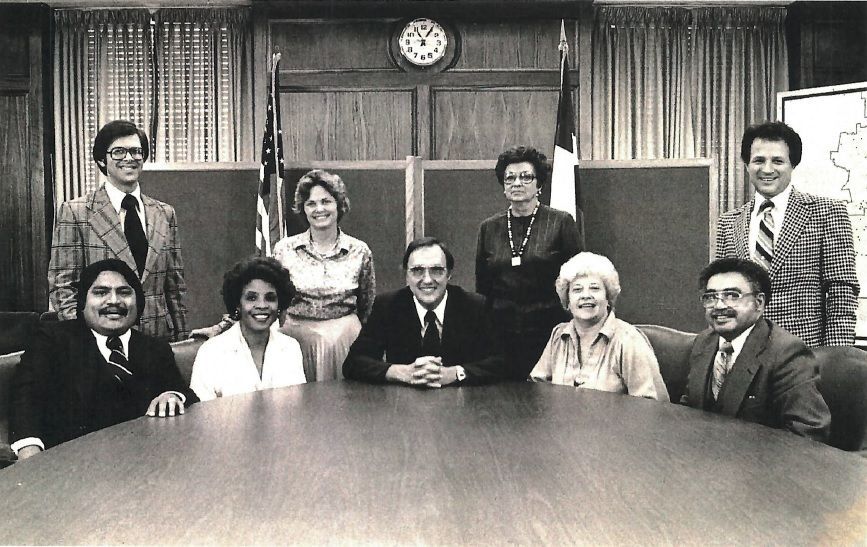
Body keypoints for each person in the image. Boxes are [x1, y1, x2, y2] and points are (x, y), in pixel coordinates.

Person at [10, 259, 197, 461]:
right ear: (83, 302)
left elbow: (184, 392)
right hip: (71, 468)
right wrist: (29, 453)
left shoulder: (154, 348)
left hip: (143, 466)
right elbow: (25, 398)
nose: (114, 301)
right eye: (101, 293)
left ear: (138, 301)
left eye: (124, 292)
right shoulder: (52, 340)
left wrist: (172, 394)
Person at [716, 121, 858, 347]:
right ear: (747, 165)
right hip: (743, 357)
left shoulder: (827, 213)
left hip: (804, 356)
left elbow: (841, 294)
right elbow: (721, 297)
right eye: (759, 160)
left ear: (793, 164)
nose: (767, 169)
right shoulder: (728, 223)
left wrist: (832, 359)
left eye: (778, 161)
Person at [48, 120, 188, 342]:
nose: (129, 158)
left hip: (159, 341)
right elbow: (63, 288)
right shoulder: (76, 213)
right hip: (101, 345)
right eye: (119, 152)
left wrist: (182, 339)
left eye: (136, 151)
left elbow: (175, 288)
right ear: (102, 160)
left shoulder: (165, 213)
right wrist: (84, 341)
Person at [681, 257, 830, 442]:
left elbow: (807, 434)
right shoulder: (704, 342)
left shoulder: (787, 353)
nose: (719, 306)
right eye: (710, 297)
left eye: (732, 295)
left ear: (759, 303)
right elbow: (688, 411)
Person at [476, 145, 584, 381]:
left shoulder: (561, 222)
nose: (517, 183)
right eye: (510, 178)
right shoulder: (489, 228)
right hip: (501, 333)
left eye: (526, 177)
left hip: (549, 330)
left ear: (539, 184)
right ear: (503, 186)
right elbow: (483, 285)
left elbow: (578, 279)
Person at [344, 237, 504, 387]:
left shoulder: (474, 306)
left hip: (461, 400)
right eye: (417, 271)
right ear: (406, 275)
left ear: (449, 274)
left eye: (436, 270)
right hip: (403, 403)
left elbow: (500, 362)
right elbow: (353, 363)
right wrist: (399, 372)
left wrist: (456, 373)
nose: (427, 280)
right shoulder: (388, 306)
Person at [530, 252, 669, 401]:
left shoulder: (629, 341)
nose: (586, 295)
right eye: (577, 290)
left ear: (608, 298)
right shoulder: (558, 335)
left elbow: (651, 406)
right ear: (568, 301)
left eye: (594, 288)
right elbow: (538, 389)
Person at [190, 257, 306, 401]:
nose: (262, 305)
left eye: (270, 298)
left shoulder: (290, 348)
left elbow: (296, 410)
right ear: (237, 304)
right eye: (251, 298)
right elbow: (201, 416)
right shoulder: (211, 352)